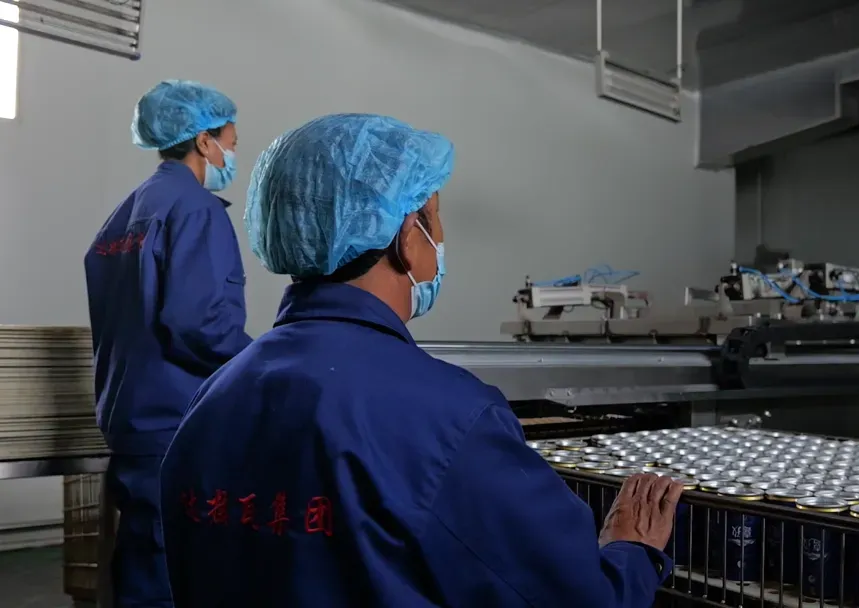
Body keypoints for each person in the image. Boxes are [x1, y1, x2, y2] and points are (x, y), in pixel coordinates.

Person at [159, 113, 683, 607]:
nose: (440, 239)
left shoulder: (214, 396)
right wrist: (632, 554)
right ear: (408, 239)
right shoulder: (451, 418)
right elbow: (580, 597)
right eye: (433, 218)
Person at [84, 80, 253, 607]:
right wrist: (260, 363)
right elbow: (198, 322)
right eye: (230, 141)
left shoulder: (126, 213)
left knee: (142, 558)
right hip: (174, 417)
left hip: (129, 415)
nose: (233, 152)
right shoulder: (196, 209)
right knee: (170, 569)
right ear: (204, 141)